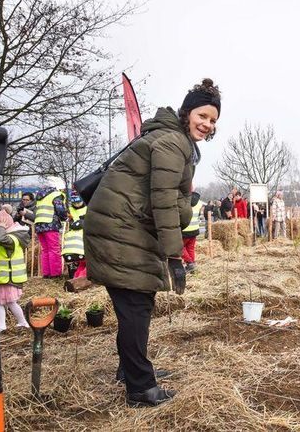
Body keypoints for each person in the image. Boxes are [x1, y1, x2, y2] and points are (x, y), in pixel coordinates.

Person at [84, 78, 221, 407]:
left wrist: (181, 212)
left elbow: (169, 197)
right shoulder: (174, 143)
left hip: (124, 228)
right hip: (121, 232)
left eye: (214, 120)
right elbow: (162, 199)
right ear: (187, 113)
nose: (207, 124)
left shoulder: (171, 139)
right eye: (203, 115)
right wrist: (175, 256)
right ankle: (141, 388)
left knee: (135, 306)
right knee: (136, 307)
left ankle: (131, 370)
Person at [0, 210, 30, 332]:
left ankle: (21, 322)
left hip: (8, 277)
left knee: (8, 303)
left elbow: (0, 240)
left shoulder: (11, 239)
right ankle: (5, 325)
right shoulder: (8, 236)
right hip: (3, 277)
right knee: (2, 303)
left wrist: (1, 227)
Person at [34, 176, 68, 279]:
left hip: (39, 225)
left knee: (45, 250)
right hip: (50, 224)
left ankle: (47, 273)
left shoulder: (40, 195)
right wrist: (65, 217)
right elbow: (60, 210)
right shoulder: (56, 195)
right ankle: (55, 273)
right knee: (54, 249)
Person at [61, 192, 91, 291]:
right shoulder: (70, 210)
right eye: (75, 203)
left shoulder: (89, 208)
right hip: (76, 239)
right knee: (80, 261)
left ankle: (78, 279)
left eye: (78, 202)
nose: (77, 205)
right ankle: (75, 279)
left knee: (84, 262)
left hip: (84, 237)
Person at [181, 192, 203, 273]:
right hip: (195, 229)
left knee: (179, 247)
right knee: (190, 248)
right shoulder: (199, 202)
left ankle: (190, 263)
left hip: (185, 229)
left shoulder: (184, 201)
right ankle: (192, 266)